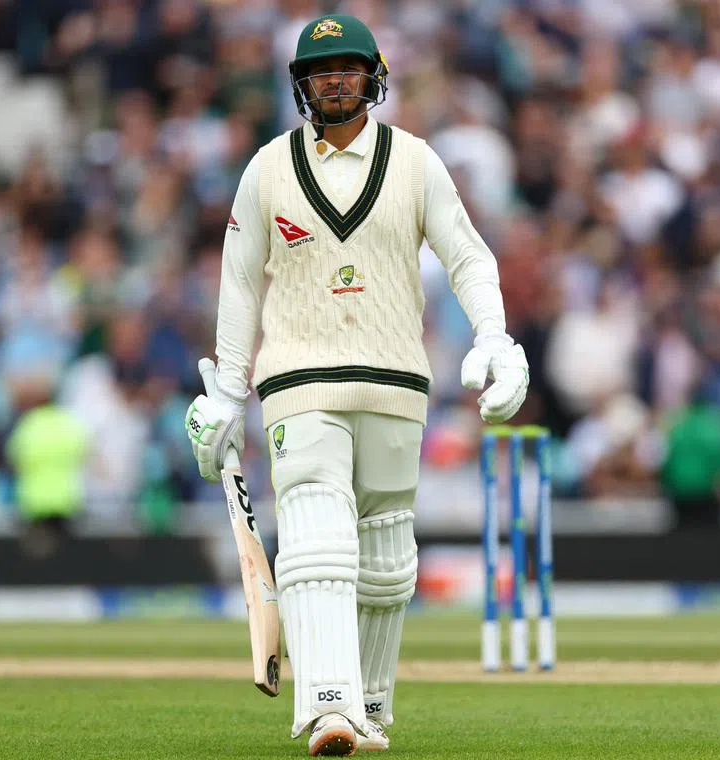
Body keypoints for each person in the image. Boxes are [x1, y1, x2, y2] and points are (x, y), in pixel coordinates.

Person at [184, 14, 528, 757]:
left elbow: (469, 258)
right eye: (319, 71)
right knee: (314, 536)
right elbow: (239, 288)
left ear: (374, 75)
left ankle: (369, 708)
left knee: (386, 561)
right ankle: (327, 705)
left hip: (397, 383)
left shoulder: (415, 162)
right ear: (300, 85)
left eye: (346, 68)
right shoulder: (267, 170)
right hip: (299, 381)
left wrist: (495, 337)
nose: (333, 80)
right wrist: (227, 391)